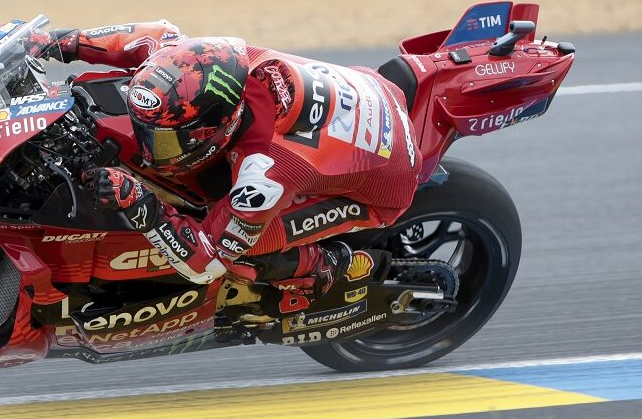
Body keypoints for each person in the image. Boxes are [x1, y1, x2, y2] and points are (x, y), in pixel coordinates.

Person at [54, 21, 422, 316]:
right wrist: (59, 42)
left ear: (221, 128)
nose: (150, 148)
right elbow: (149, 36)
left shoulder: (266, 174)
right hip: (369, 90)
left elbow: (207, 264)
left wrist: (141, 205)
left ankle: (324, 269)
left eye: (164, 141)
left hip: (382, 185)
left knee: (240, 252)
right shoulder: (200, 61)